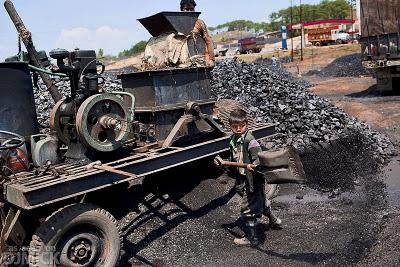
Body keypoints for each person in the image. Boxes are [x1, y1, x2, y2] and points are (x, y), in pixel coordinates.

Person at [215, 108, 282, 247]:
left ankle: (252, 238)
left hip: (253, 180)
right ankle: (274, 221)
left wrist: (254, 165)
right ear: (230, 126)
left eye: (242, 126)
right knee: (261, 201)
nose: (239, 129)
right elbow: (235, 160)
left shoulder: (251, 141)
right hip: (242, 179)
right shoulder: (233, 140)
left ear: (247, 124)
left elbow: (259, 158)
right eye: (235, 127)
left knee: (247, 209)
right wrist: (222, 164)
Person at [180, 0, 215, 67]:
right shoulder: (176, 23)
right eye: (187, 9)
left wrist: (211, 59)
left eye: (192, 9)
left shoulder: (199, 23)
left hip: (198, 59)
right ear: (181, 10)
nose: (190, 12)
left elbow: (208, 40)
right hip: (183, 61)